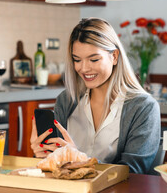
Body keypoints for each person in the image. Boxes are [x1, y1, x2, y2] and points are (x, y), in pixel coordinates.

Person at [30, 17, 160, 174]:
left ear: (114, 57)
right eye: (77, 60)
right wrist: (43, 157)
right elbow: (57, 165)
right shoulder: (66, 101)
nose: (84, 68)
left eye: (93, 59)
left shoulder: (143, 107)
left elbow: (133, 172)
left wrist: (81, 162)